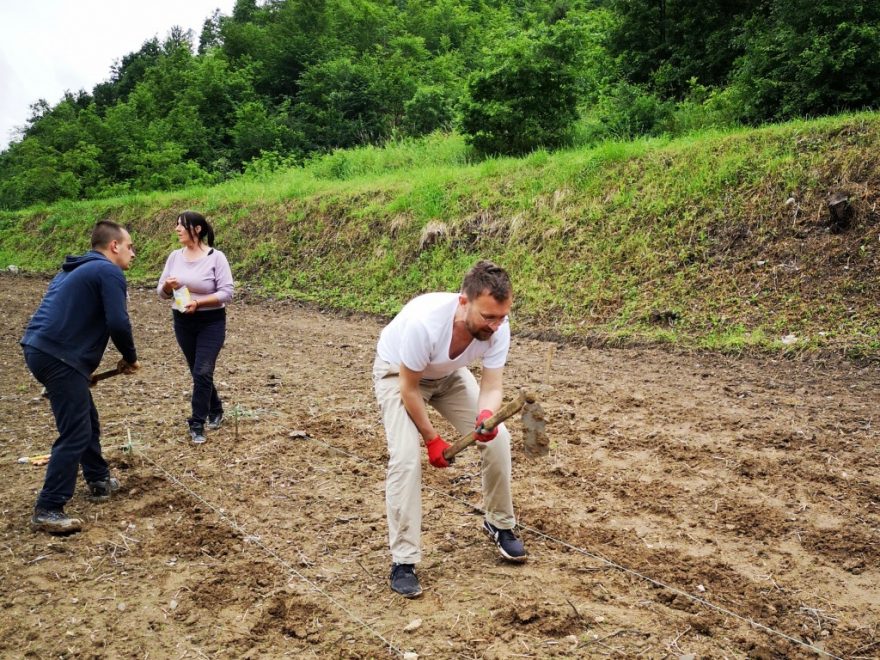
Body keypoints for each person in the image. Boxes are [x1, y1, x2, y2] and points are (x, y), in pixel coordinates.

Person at [373, 259, 527, 598]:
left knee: (499, 438)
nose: (496, 325)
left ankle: (499, 523)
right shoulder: (423, 325)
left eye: (502, 316)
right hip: (399, 375)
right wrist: (432, 439)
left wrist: (485, 416)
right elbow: (409, 390)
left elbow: (491, 384)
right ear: (463, 303)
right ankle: (403, 560)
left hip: (448, 374)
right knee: (406, 459)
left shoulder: (498, 326)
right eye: (488, 317)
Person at [21, 220, 140, 534]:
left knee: (87, 418)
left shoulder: (74, 270)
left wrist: (79, 369)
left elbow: (70, 318)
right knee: (75, 430)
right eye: (130, 247)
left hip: (42, 350)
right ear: (114, 246)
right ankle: (49, 506)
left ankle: (99, 479)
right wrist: (129, 357)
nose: (133, 254)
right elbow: (117, 321)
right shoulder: (108, 271)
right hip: (59, 356)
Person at [157, 211, 234, 444]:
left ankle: (197, 423)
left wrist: (198, 302)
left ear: (197, 229)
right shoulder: (174, 257)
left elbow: (227, 293)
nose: (177, 229)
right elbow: (160, 291)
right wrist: (168, 288)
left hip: (211, 321)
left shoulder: (215, 257)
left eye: (181, 225)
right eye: (176, 225)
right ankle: (216, 409)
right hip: (183, 321)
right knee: (198, 371)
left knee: (202, 371)